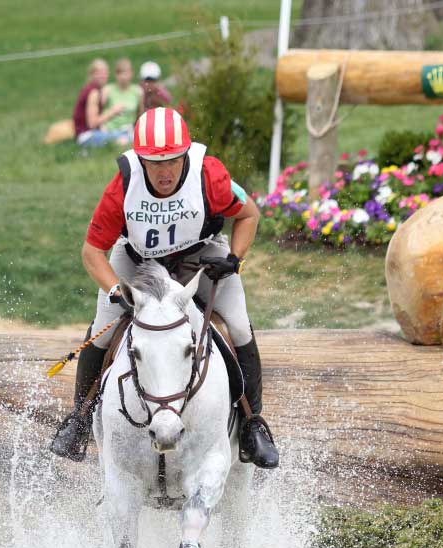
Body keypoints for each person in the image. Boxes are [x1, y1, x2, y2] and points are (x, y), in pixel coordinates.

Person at [51, 107, 279, 469]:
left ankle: (253, 426)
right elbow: (92, 251)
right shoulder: (123, 185)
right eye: (154, 164)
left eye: (173, 161)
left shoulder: (210, 174)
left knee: (236, 323)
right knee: (100, 332)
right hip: (138, 260)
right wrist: (115, 292)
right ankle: (79, 418)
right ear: (140, 160)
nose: (165, 172)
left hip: (201, 255)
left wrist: (234, 259)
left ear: (185, 154)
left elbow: (248, 213)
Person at [99, 58, 143, 144]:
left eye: (126, 73)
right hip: (109, 130)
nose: (123, 77)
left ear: (131, 73)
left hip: (129, 130)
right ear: (115, 74)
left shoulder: (138, 91)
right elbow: (98, 113)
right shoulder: (107, 90)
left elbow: (139, 114)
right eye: (120, 73)